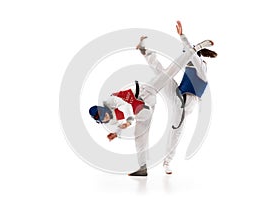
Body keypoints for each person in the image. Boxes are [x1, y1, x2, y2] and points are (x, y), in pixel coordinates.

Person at [89, 21, 214, 176]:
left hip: (184, 104)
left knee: (176, 128)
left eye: (103, 116)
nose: (106, 118)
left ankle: (167, 161)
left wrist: (183, 37)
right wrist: (118, 132)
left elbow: (190, 54)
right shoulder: (112, 117)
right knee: (163, 72)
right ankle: (143, 168)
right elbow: (121, 118)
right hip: (172, 95)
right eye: (103, 118)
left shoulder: (201, 69)